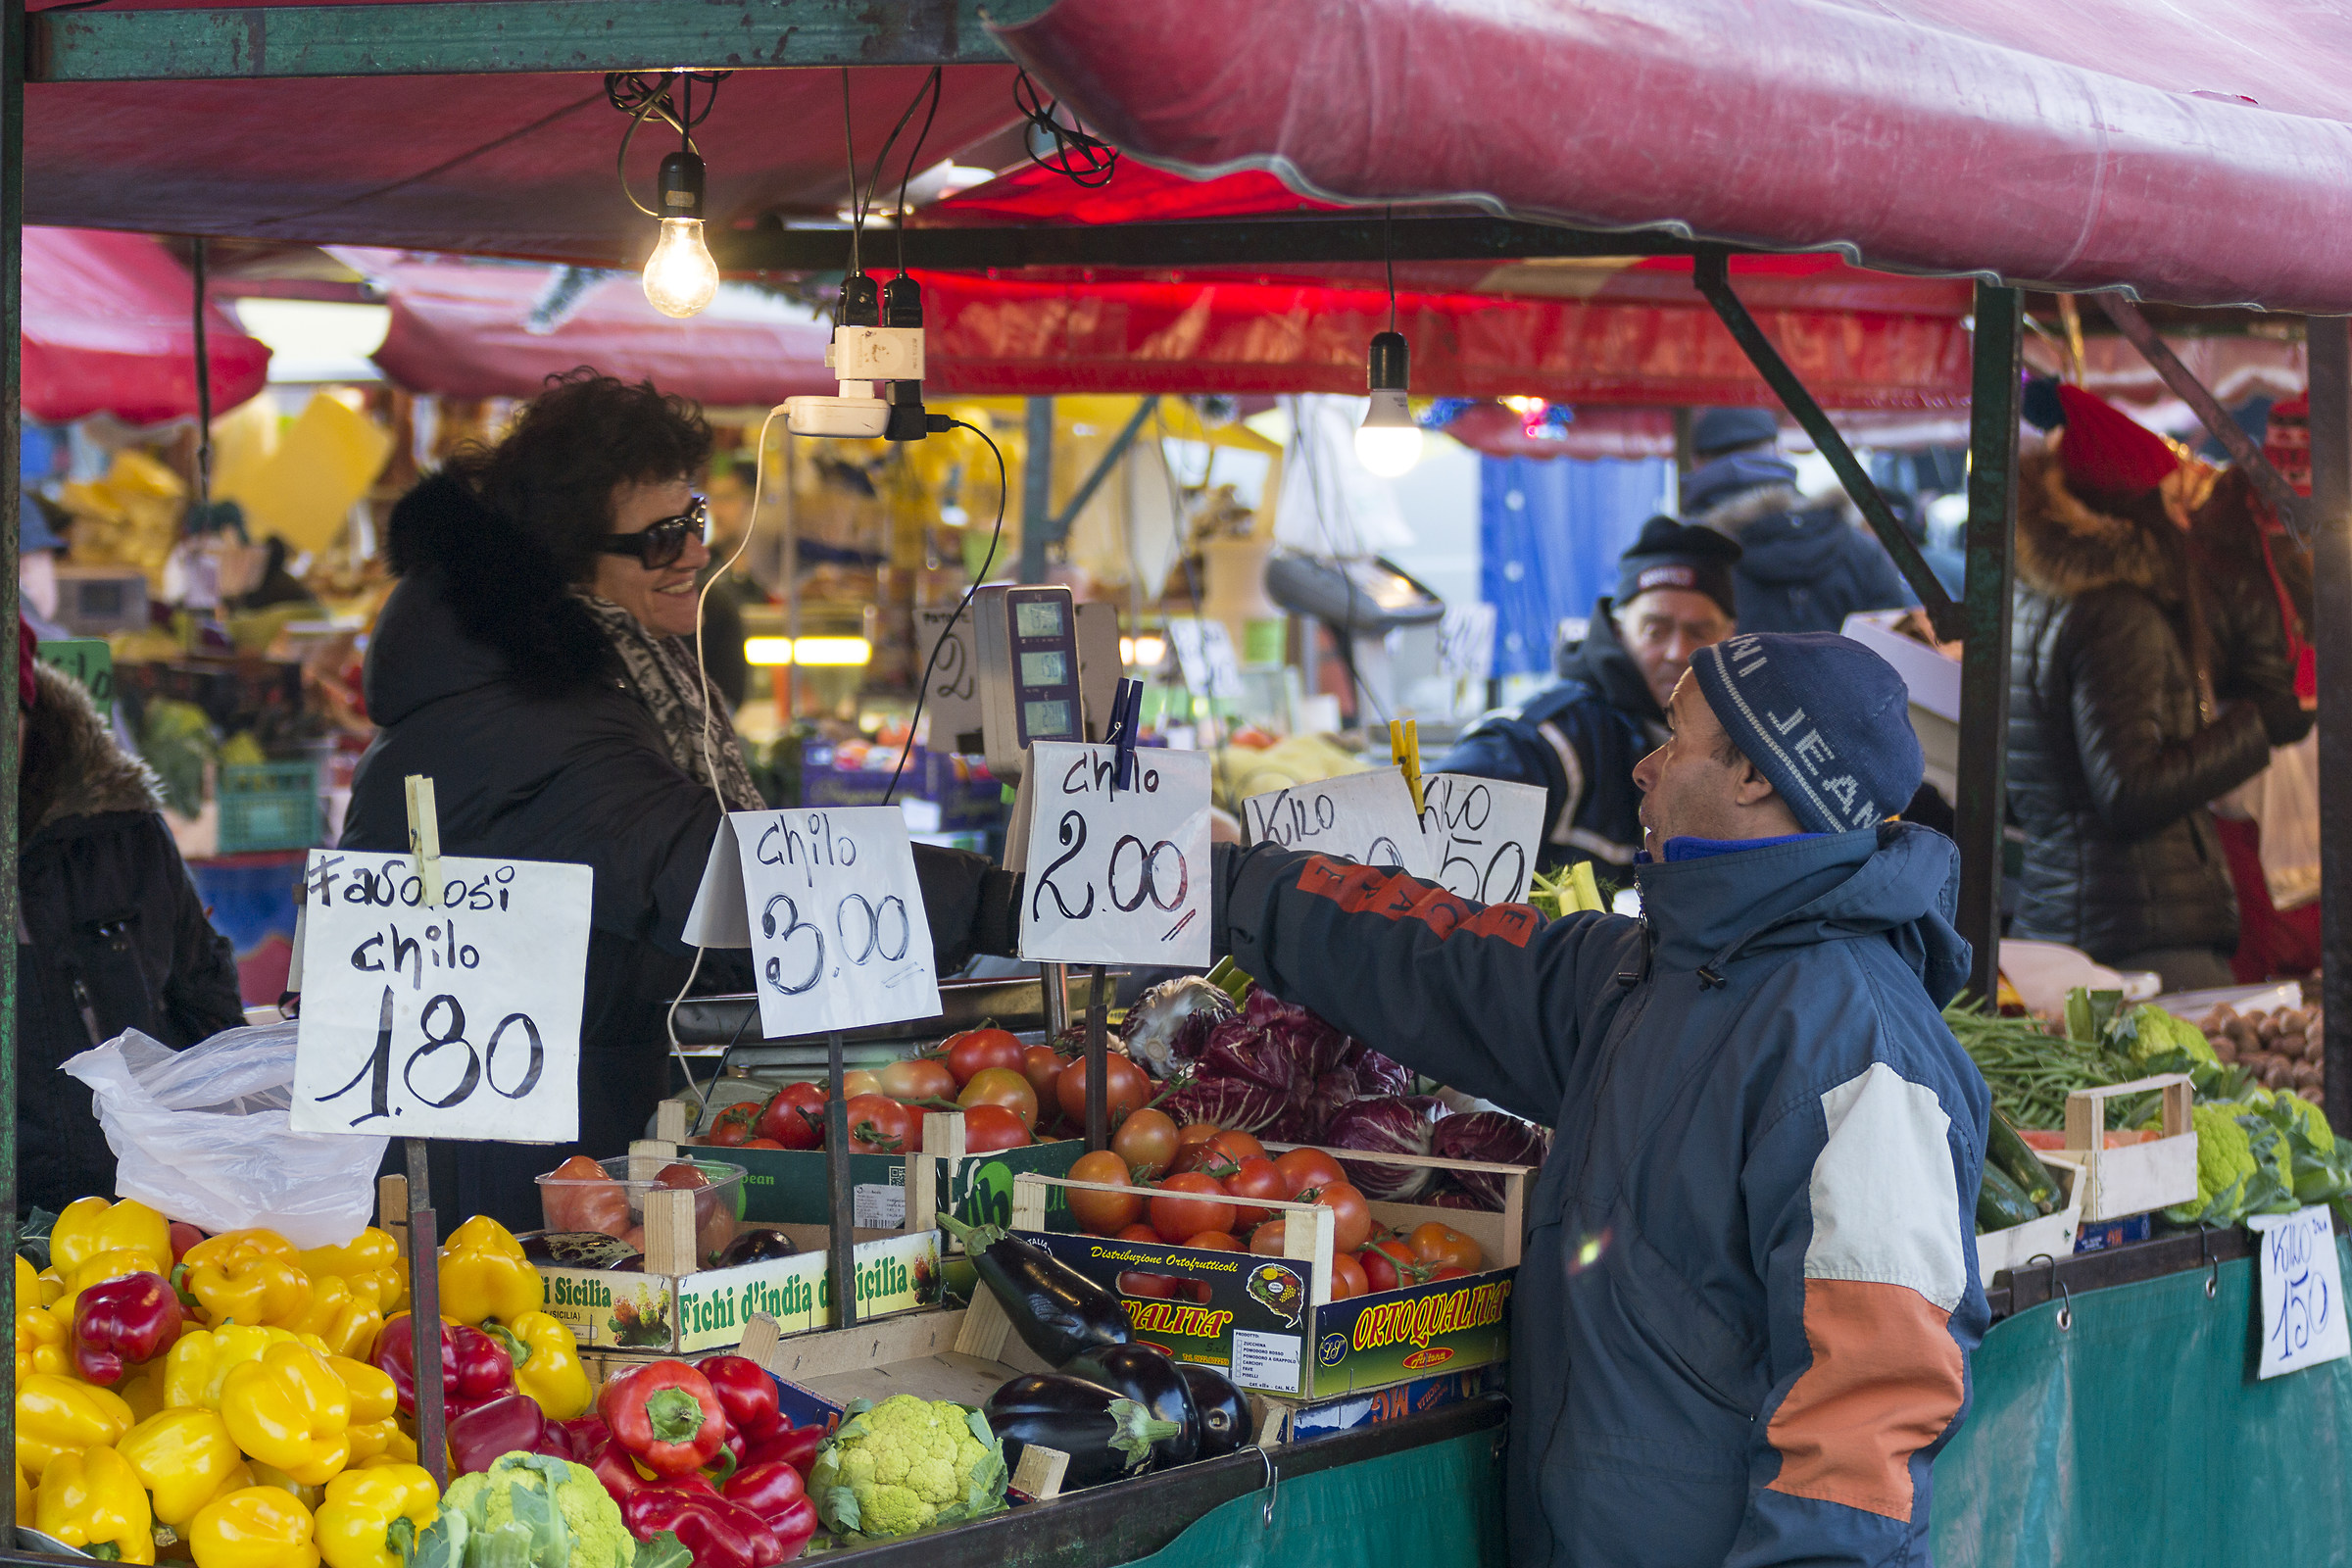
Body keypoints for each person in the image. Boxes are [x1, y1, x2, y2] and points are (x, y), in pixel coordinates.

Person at [942, 632, 1986, 1563]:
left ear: (1758, 774)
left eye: (1679, 738)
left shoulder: (1862, 1055)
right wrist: (1234, 882)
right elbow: (1436, 956)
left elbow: (1870, 1408)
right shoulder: (1652, 972)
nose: (1645, 763)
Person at [342, 370, 1003, 1227]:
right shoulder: (518, 704)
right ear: (568, 556)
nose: (695, 553)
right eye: (657, 540)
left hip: (560, 1109)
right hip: (484, 1161)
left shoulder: (602, 672)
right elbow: (699, 868)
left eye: (693, 520)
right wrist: (995, 903)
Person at [2006, 385, 2309, 992]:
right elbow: (2130, 789)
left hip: (2084, 912)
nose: (2184, 521)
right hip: (2138, 931)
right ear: (2131, 504)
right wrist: (2256, 726)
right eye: (2170, 501)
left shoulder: (2046, 601)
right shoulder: (2117, 615)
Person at [19, 620, 244, 1213]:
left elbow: (206, 1009)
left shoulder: (125, 835)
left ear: (28, 715)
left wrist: (220, 1165)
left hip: (137, 1216)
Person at [1435, 515, 1739, 873]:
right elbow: (1434, 830)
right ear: (1617, 629)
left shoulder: (1739, 742)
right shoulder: (1550, 740)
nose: (1676, 652)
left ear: (1730, 638)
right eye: (1655, 631)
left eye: (1698, 632)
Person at [1684, 406, 1916, 634]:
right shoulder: (1859, 548)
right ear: (1776, 449)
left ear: (1698, 461)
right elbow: (1897, 646)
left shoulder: (1689, 551)